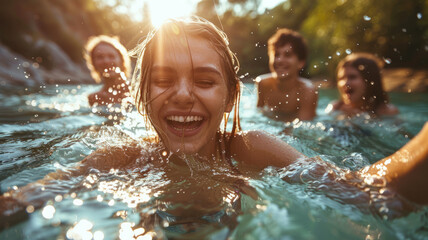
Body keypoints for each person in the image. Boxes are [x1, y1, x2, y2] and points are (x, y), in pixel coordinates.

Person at [1, 17, 427, 236]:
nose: (183, 94)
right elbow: (30, 196)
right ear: (141, 95)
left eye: (205, 81)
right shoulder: (124, 156)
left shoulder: (251, 148)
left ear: (229, 98)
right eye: (164, 80)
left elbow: (370, 195)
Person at [256, 28, 318, 122]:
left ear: (301, 63)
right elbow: (258, 117)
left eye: (288, 55)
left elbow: (304, 129)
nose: (280, 60)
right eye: (276, 55)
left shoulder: (307, 91)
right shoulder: (263, 84)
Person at [325, 53, 399, 117]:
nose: (345, 83)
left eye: (352, 77)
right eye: (341, 78)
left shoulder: (387, 111)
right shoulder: (335, 108)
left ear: (370, 81)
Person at [84, 35, 132, 107]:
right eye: (100, 57)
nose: (106, 61)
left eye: (111, 56)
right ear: (93, 63)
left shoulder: (138, 91)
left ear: (121, 60)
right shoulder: (94, 98)